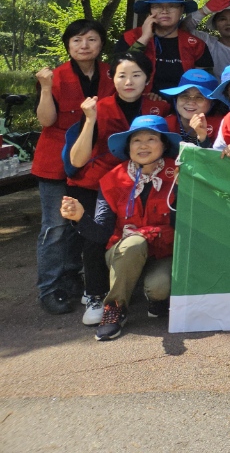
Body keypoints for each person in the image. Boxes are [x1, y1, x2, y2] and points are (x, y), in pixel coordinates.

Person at [62, 52, 169, 327]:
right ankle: (97, 294)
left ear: (147, 79)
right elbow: (76, 160)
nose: (129, 81)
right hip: (105, 180)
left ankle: (152, 290)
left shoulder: (158, 107)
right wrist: (89, 120)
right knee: (98, 236)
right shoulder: (98, 107)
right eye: (122, 75)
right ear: (112, 78)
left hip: (153, 177)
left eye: (136, 75)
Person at [59, 115, 181, 341]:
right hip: (124, 253)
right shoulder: (112, 179)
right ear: (128, 147)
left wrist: (182, 194)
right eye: (136, 140)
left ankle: (155, 298)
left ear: (164, 145)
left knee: (159, 288)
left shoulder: (179, 174)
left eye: (152, 139)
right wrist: (80, 217)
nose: (143, 145)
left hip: (164, 252)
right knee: (135, 242)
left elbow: (185, 225)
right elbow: (101, 233)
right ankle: (115, 308)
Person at [32, 19, 113, 315]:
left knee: (82, 224)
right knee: (55, 227)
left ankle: (73, 277)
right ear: (68, 45)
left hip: (95, 162)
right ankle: (50, 289)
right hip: (55, 160)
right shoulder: (55, 76)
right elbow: (46, 121)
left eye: (91, 39)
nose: (84, 45)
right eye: (77, 40)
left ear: (101, 44)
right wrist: (44, 88)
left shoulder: (111, 73)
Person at [115, 0, 213, 93]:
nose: (164, 11)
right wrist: (144, 38)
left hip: (182, 105)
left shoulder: (196, 44)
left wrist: (177, 100)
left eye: (172, 6)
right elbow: (118, 71)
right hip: (138, 102)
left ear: (181, 10)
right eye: (157, 6)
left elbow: (205, 85)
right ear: (150, 10)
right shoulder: (130, 37)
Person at [182, 0, 230, 75]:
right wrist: (205, 10)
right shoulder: (208, 43)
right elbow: (183, 29)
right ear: (215, 24)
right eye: (222, 19)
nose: (229, 23)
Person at [159, 68, 222, 147]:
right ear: (176, 99)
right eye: (184, 96)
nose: (190, 102)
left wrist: (203, 138)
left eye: (199, 97)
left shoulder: (222, 127)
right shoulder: (165, 125)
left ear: (212, 103)